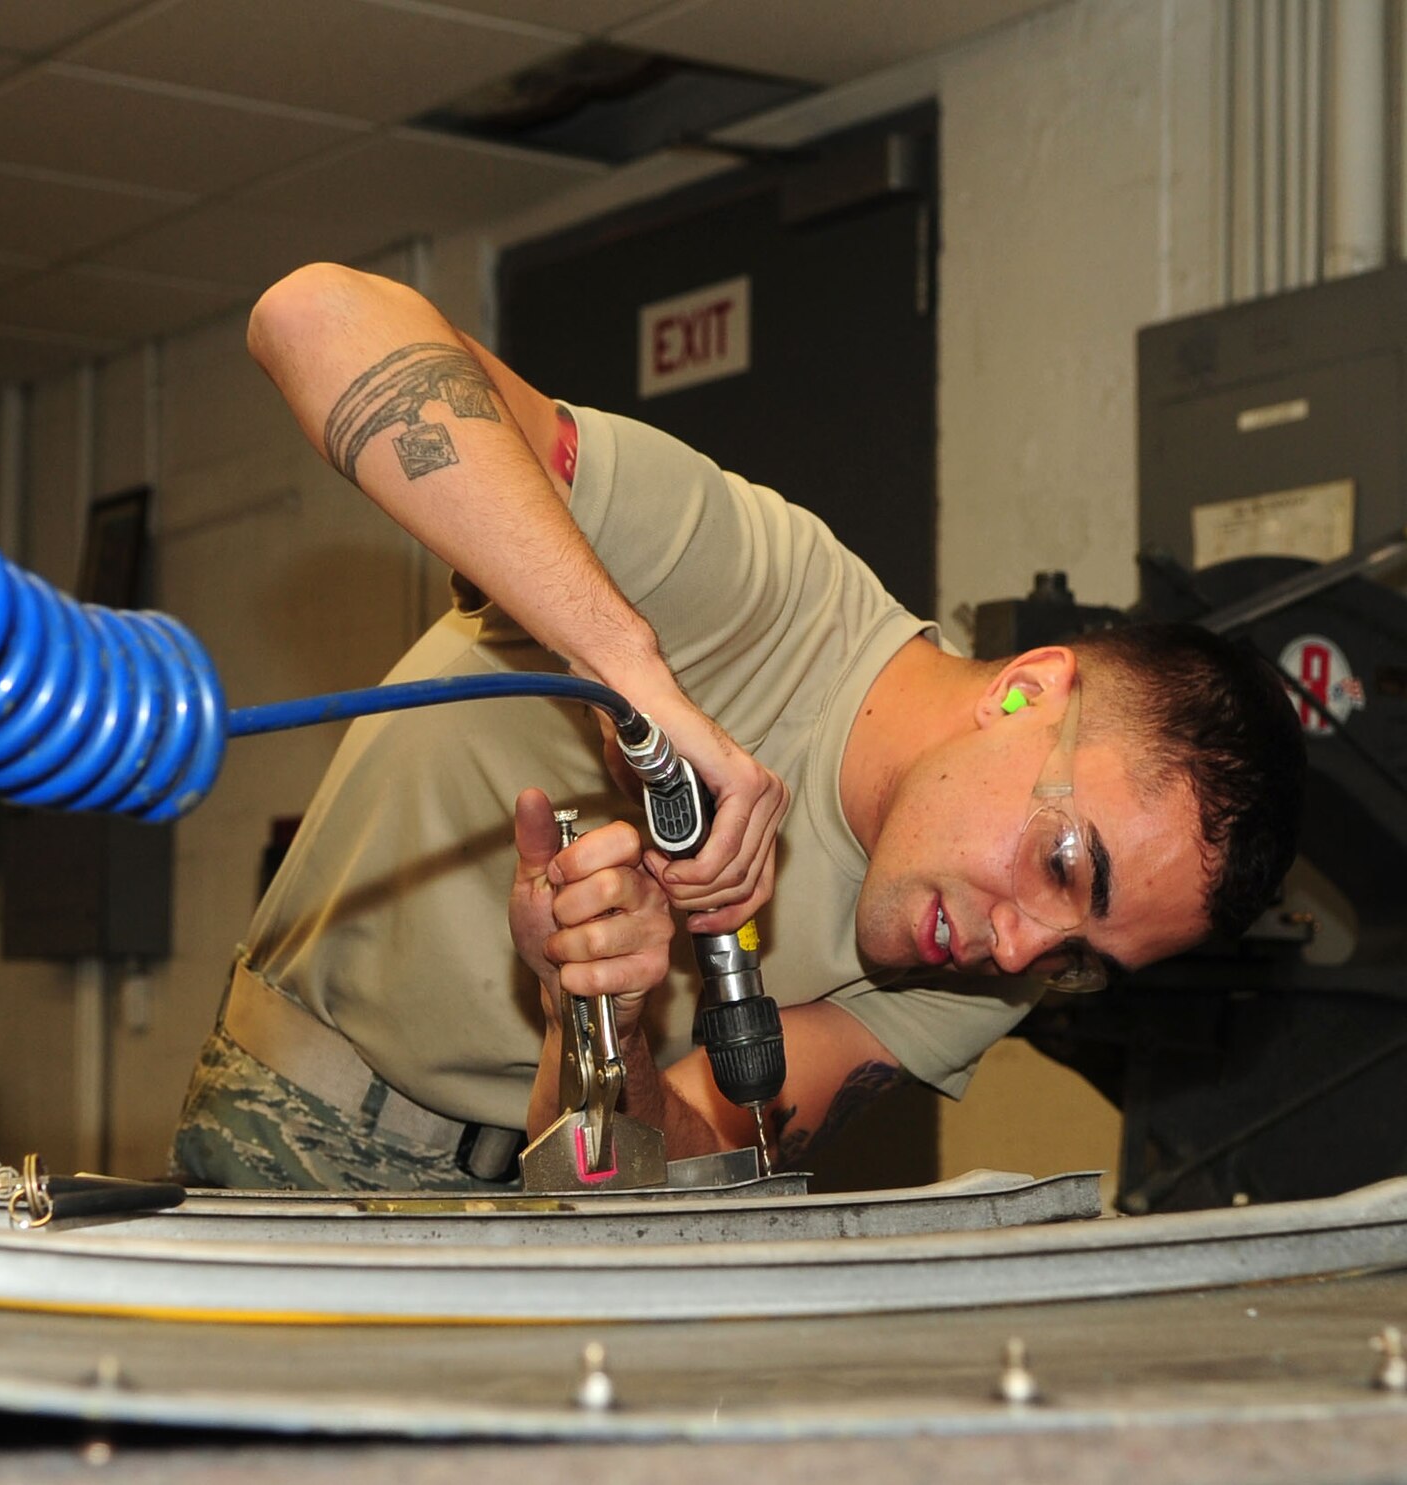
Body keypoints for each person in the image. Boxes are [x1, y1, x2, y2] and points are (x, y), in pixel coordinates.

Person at [169, 262, 1305, 1192]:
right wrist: (628, 667)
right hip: (297, 1132)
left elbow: (670, 1169)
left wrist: (594, 1023)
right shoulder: (748, 583)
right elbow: (311, 316)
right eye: (1062, 866)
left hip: (514, 1213)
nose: (1021, 950)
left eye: (1076, 961)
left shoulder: (982, 977)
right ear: (1023, 692)